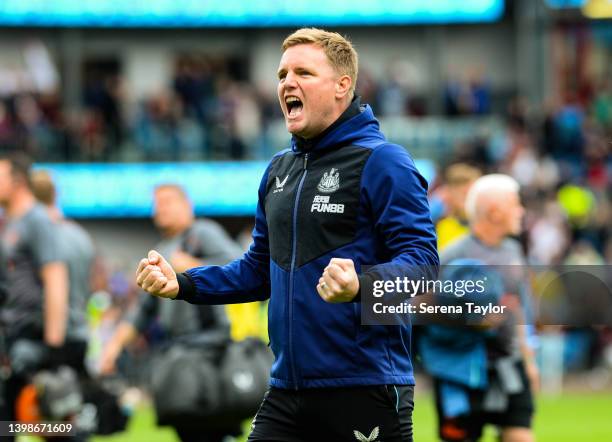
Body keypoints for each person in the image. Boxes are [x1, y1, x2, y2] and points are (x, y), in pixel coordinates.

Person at [136, 28, 439, 442]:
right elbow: (257, 270)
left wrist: (363, 286)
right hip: (285, 391)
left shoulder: (384, 162)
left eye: (303, 73)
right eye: (281, 75)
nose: (287, 84)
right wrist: (183, 283)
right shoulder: (279, 170)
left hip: (363, 386)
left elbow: (423, 265)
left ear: (342, 86)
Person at [101, 183, 244, 442]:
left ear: (186, 205)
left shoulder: (203, 232)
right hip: (177, 351)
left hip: (209, 348)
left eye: (167, 202)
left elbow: (242, 268)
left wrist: (192, 266)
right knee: (186, 425)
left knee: (215, 426)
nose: (160, 209)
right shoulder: (161, 249)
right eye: (157, 203)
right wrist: (113, 346)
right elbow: (142, 311)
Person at [426, 174, 537, 442]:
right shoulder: (451, 256)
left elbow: (519, 306)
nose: (521, 211)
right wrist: (472, 320)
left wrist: (529, 359)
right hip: (460, 372)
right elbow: (421, 310)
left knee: (521, 435)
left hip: (509, 365)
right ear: (495, 211)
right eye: (516, 204)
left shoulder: (513, 251)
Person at [0, 152, 69, 441]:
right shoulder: (11, 223)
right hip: (13, 337)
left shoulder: (36, 219)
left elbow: (55, 278)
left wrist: (53, 344)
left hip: (33, 338)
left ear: (16, 181)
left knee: (50, 426)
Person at [30, 169, 95, 369]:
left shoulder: (35, 236)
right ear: (55, 194)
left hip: (47, 340)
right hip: (79, 334)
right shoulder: (81, 236)